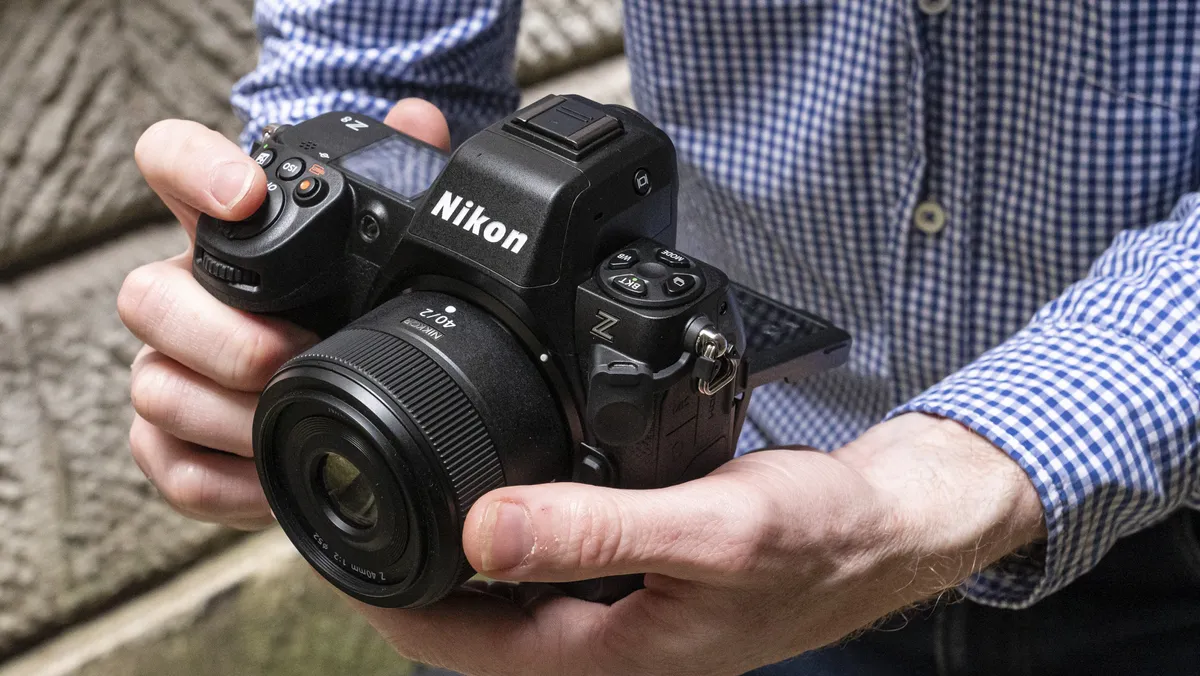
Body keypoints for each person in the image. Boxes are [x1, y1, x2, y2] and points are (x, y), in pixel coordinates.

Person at [118, 1, 1200, 674]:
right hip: (673, 548)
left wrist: (941, 481)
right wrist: (275, 265)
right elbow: (368, 67)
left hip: (1162, 547)